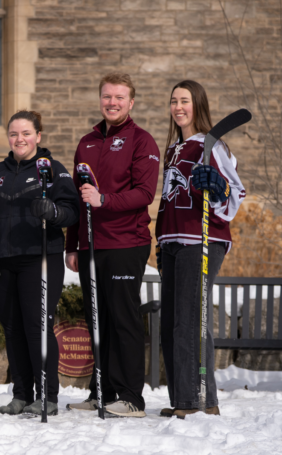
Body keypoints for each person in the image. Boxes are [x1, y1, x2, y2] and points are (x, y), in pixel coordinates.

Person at [65, 73, 160, 418]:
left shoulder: (141, 141)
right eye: (107, 97)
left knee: (123, 319)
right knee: (97, 319)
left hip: (125, 242)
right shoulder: (87, 142)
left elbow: (144, 194)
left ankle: (132, 396)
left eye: (120, 97)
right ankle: (101, 391)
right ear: (100, 99)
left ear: (131, 102)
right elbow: (78, 200)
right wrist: (72, 245)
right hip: (91, 246)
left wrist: (104, 199)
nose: (112, 103)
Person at [0, 111, 79, 416]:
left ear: (38, 136)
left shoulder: (53, 171)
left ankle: (48, 395)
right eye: (14, 134)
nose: (20, 139)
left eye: (26, 134)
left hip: (40, 259)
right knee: (12, 328)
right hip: (2, 260)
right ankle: (21, 394)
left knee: (37, 326)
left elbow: (72, 211)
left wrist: (54, 212)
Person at [156, 80, 245, 419]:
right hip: (174, 242)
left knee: (189, 319)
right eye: (174, 101)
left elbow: (234, 193)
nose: (178, 107)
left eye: (185, 101)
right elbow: (169, 201)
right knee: (172, 323)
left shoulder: (212, 146)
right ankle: (185, 397)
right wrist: (161, 244)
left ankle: (198, 401)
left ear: (198, 105)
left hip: (201, 240)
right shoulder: (174, 150)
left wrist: (218, 187)